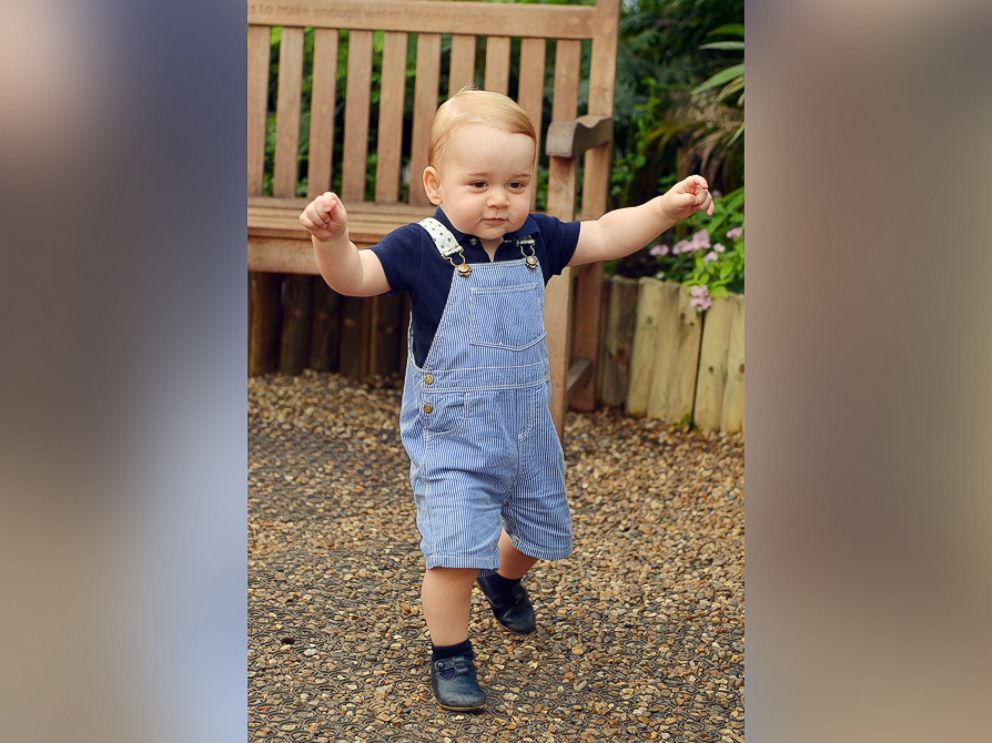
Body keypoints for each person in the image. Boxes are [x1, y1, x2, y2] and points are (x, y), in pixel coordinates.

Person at [298, 89, 713, 712]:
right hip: (453, 436)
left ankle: (504, 576)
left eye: (517, 184)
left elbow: (603, 234)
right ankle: (451, 654)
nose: (500, 199)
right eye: (480, 183)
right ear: (436, 184)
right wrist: (332, 240)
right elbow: (354, 277)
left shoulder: (535, 239)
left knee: (539, 534)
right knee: (453, 554)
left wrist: (661, 209)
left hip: (526, 429)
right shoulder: (420, 247)